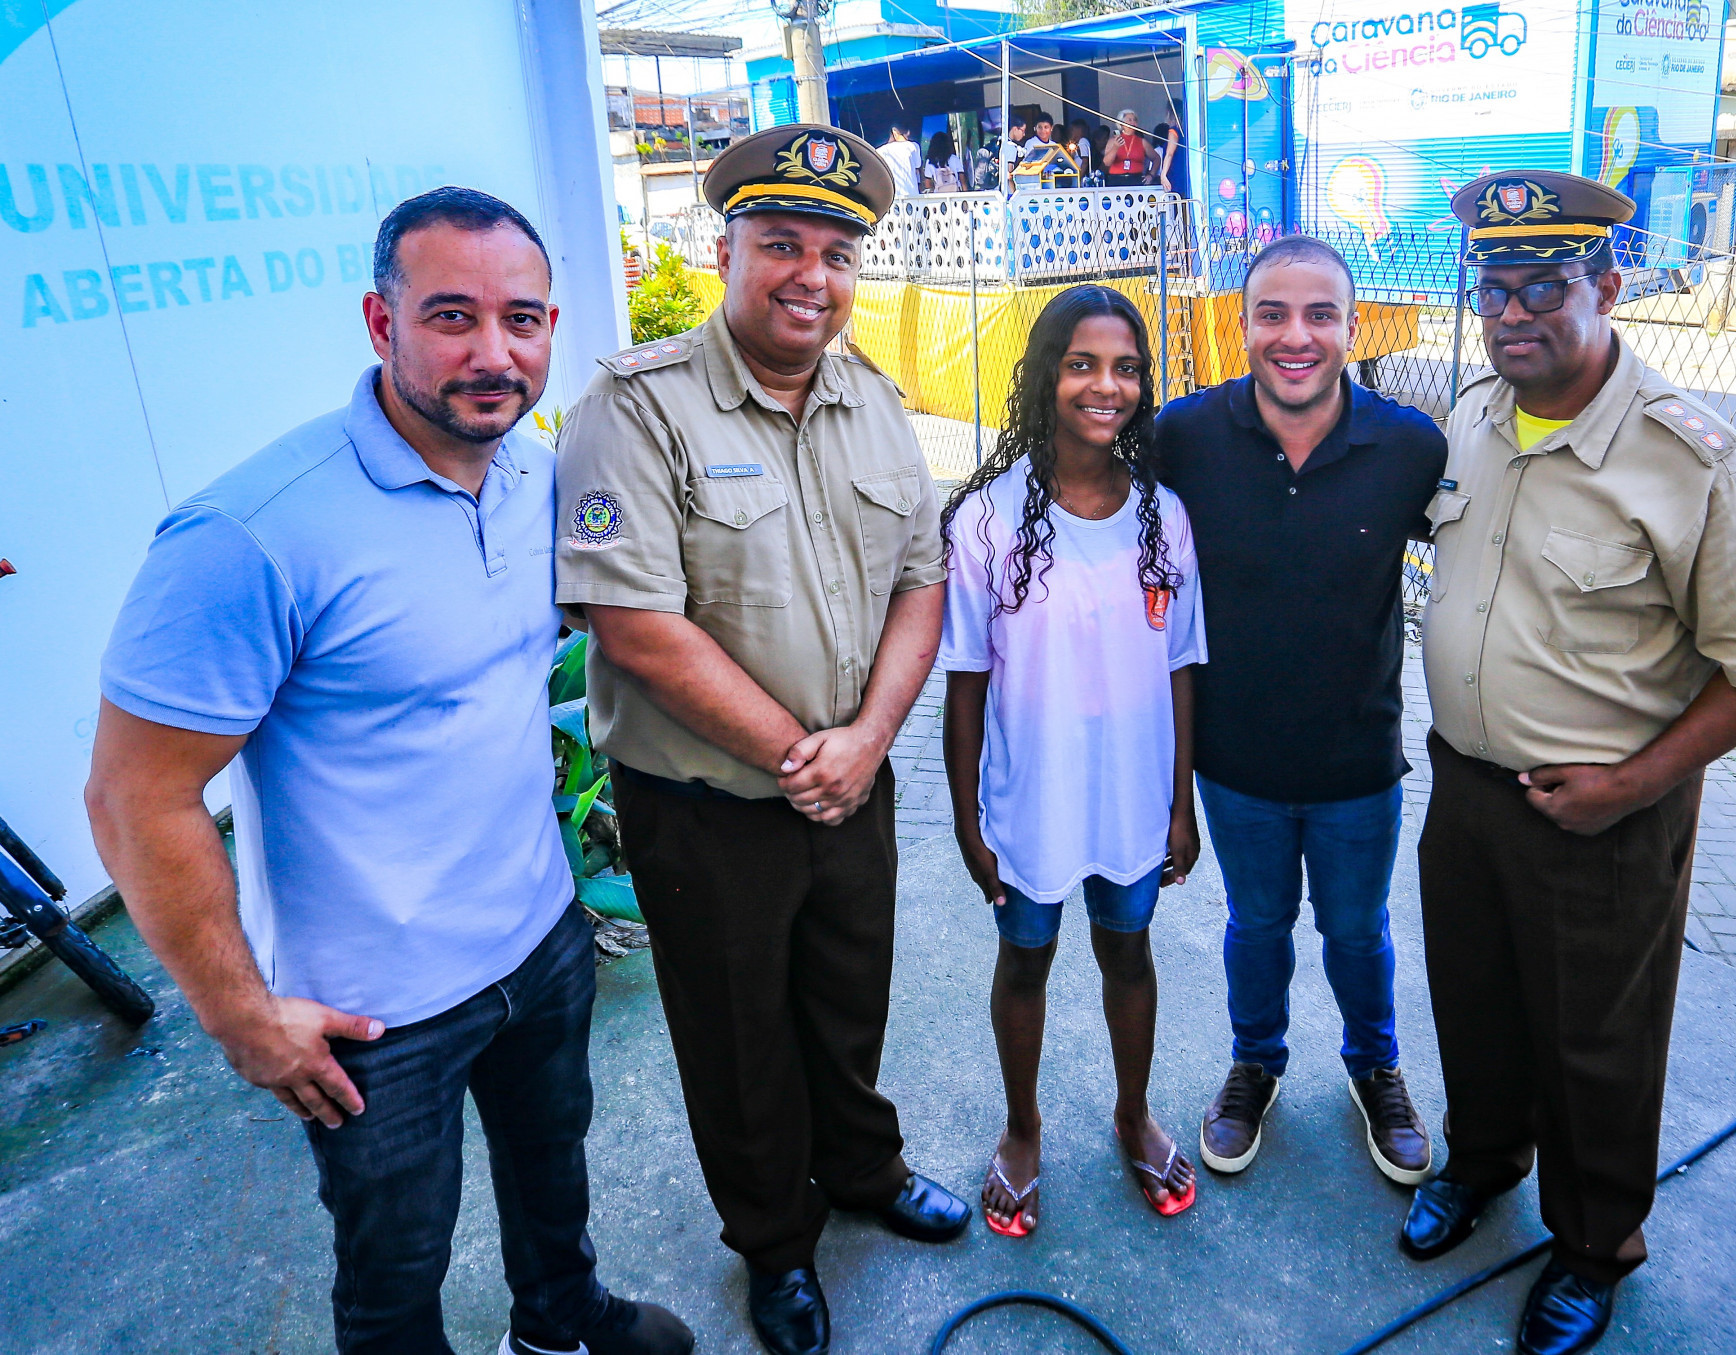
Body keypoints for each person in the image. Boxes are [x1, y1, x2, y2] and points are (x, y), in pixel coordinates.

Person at [85, 187, 693, 1355]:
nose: (492, 352)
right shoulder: (252, 532)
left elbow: (626, 594)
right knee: (395, 1261)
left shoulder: (538, 476)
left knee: (550, 1167)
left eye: (521, 319)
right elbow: (133, 795)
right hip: (374, 1008)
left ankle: (559, 1326)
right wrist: (241, 1013)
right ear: (381, 321)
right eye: (451, 316)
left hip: (538, 934)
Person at [553, 125, 969, 1355]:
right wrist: (810, 753)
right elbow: (633, 625)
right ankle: (774, 1243)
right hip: (711, 803)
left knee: (848, 996)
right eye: (780, 243)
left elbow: (920, 584)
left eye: (836, 253)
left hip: (857, 780)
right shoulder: (636, 408)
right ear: (721, 247)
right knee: (738, 1035)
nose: (811, 276)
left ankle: (861, 1167)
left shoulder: (875, 400)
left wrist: (870, 738)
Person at [1408, 171, 1736, 1355]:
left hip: (1604, 813)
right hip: (1466, 789)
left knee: (1598, 1040)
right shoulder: (1473, 420)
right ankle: (1482, 1162)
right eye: (1496, 285)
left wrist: (1633, 787)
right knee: (1475, 1004)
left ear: (1609, 285)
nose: (1514, 309)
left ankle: (1594, 1245)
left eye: (1548, 284)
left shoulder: (1692, 461)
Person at [1155, 236, 1445, 1187]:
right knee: (1256, 925)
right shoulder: (1185, 437)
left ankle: (1377, 1070)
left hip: (1358, 764)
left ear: (1353, 328)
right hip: (1235, 764)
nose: (1296, 335)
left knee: (1358, 932)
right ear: (1240, 328)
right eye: (1273, 313)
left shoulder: (1408, 446)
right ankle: (1254, 1065)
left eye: (1321, 314)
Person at [941, 285, 1206, 1239]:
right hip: (1031, 801)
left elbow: (1181, 665)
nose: (1108, 385)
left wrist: (1182, 804)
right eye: (1084, 363)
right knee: (1026, 959)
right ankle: (1022, 1128)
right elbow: (965, 681)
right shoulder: (986, 520)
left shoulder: (1163, 517)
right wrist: (969, 819)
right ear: (1046, 375)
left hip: (1133, 797)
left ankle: (1133, 1114)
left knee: (1127, 951)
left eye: (1128, 366)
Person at [1012, 115, 1078, 191]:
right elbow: (1030, 163)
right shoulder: (1031, 143)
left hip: (1054, 175)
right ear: (1035, 128)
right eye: (1040, 127)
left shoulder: (1054, 145)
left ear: (1051, 128)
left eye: (1046, 127)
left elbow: (1058, 162)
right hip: (1037, 180)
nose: (1043, 130)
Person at [1103, 109, 1156, 187]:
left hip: (1136, 180)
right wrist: (1115, 147)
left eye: (1135, 120)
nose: (1133, 123)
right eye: (1129, 120)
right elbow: (1106, 163)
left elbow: (1156, 158)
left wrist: (1151, 175)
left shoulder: (1142, 141)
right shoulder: (1113, 141)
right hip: (1116, 180)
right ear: (1121, 124)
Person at [878, 121, 922, 200]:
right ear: (908, 132)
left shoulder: (882, 150)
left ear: (894, 133)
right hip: (912, 193)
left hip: (894, 196)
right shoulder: (913, 146)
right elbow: (917, 166)